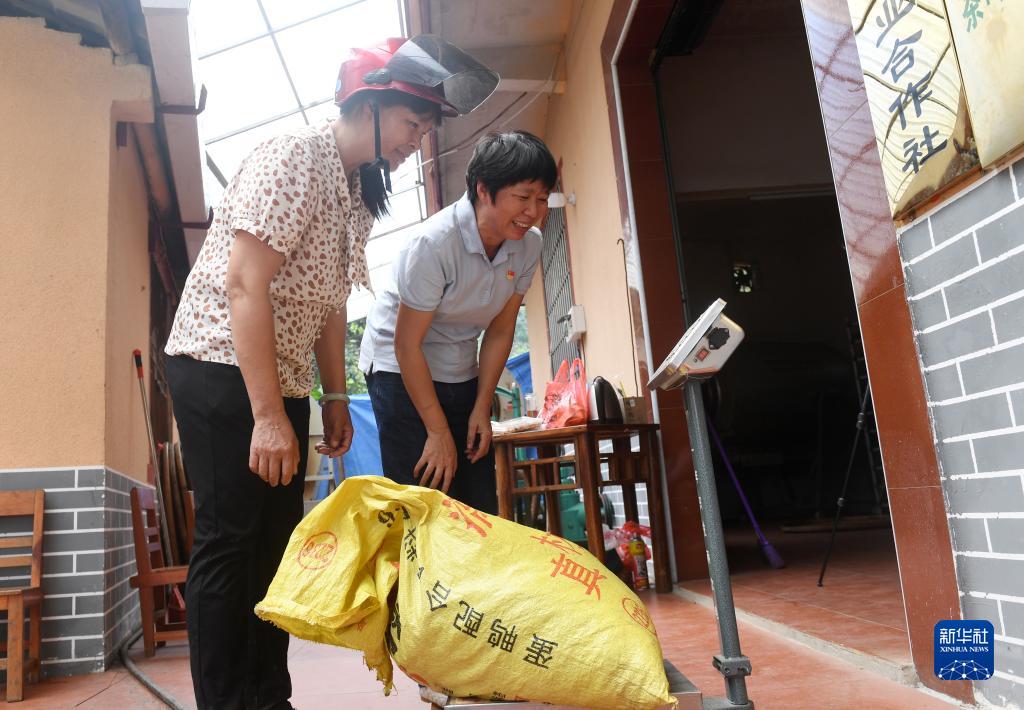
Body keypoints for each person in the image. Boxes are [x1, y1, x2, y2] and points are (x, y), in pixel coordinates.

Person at [163, 36, 497, 709]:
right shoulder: (293, 158)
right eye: (411, 124)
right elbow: (243, 286)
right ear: (366, 104)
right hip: (218, 368)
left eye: (426, 129)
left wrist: (332, 394)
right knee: (230, 541)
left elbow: (327, 299)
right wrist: (264, 415)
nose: (416, 140)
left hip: (278, 382)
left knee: (276, 546)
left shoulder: (354, 190)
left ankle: (267, 697)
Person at [360, 130, 558, 514]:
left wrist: (481, 407)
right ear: (484, 190)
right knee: (423, 497)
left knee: (475, 501)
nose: (533, 211)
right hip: (398, 366)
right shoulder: (434, 244)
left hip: (459, 366)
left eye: (542, 199)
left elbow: (501, 331)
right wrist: (437, 431)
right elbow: (406, 345)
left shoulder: (528, 244)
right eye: (522, 197)